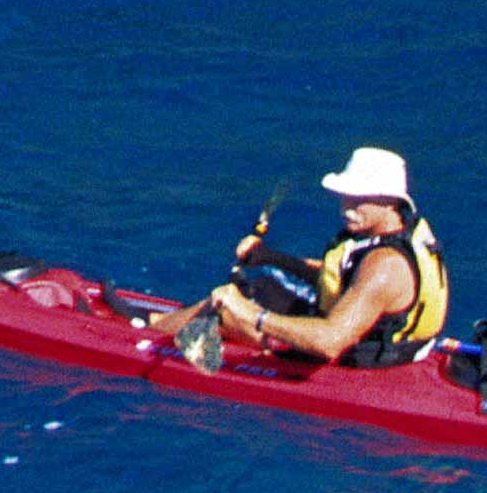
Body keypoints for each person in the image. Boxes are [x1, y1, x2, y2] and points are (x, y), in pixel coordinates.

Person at [169, 147, 447, 373]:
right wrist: (272, 258)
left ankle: (143, 335)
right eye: (346, 198)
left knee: (227, 312)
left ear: (390, 202)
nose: (347, 209)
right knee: (263, 287)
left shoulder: (385, 265)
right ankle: (155, 322)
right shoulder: (394, 234)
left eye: (359, 200)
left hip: (355, 357)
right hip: (384, 343)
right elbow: (339, 281)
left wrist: (251, 314)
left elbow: (330, 342)